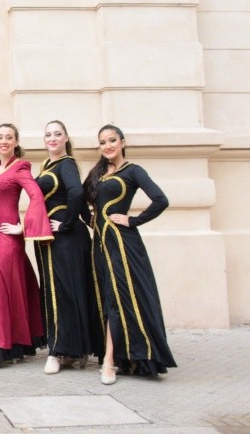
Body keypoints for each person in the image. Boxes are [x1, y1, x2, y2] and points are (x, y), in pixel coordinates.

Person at [82, 124, 176, 385]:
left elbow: (161, 200)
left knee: (117, 298)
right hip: (100, 245)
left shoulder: (133, 171)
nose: (108, 146)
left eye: (112, 140)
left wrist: (133, 221)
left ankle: (109, 361)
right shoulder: (97, 173)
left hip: (123, 245)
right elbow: (80, 199)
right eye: (103, 142)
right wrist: (90, 220)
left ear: (123, 142)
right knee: (106, 298)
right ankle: (124, 357)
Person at [0, 123, 53, 372]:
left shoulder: (20, 167)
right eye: (0, 137)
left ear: (16, 142)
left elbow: (36, 196)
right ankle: (10, 348)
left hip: (7, 237)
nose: (4, 141)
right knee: (5, 289)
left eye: (9, 137)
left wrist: (24, 227)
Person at [34, 120, 103, 375]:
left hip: (65, 239)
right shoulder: (47, 165)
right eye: (48, 134)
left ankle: (57, 351)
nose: (52, 138)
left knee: (62, 293)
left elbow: (75, 194)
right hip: (50, 238)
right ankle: (74, 349)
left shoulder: (67, 164)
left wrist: (66, 223)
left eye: (57, 134)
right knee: (60, 292)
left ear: (66, 138)